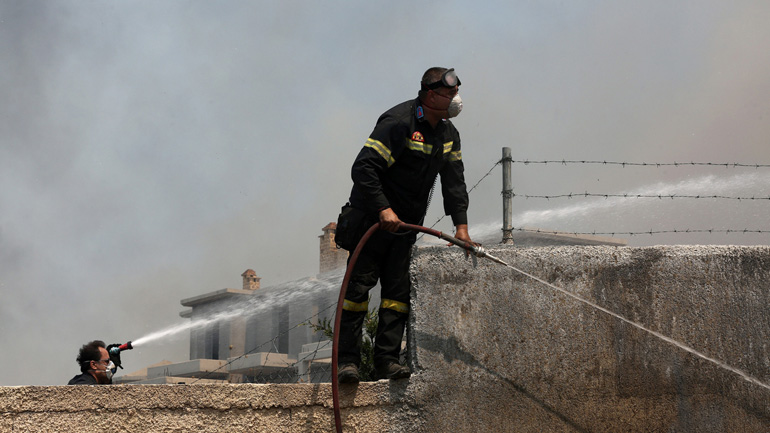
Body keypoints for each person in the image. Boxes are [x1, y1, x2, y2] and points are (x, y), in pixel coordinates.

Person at [336, 67, 477, 383]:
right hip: (372, 223)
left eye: (456, 93)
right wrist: (383, 208)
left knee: (397, 296)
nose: (456, 99)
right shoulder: (399, 123)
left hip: (405, 228)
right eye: (450, 93)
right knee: (356, 293)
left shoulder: (447, 134)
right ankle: (346, 363)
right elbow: (363, 168)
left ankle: (387, 361)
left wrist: (462, 228)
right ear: (430, 95)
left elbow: (454, 183)